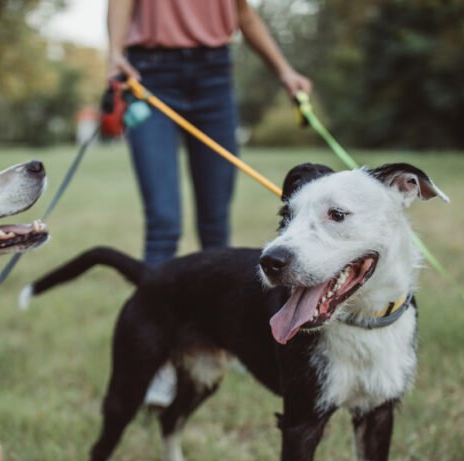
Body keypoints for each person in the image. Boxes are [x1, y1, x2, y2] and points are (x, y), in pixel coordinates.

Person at [107, 0, 312, 405]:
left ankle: (220, 340)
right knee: (164, 221)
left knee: (215, 224)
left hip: (215, 75)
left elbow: (243, 13)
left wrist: (284, 71)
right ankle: (159, 360)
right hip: (148, 74)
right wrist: (114, 53)